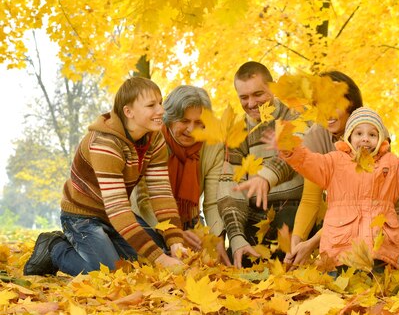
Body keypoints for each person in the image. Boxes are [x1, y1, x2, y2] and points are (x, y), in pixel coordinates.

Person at [24, 77, 188, 277]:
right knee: (107, 273)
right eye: (151, 105)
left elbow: (161, 193)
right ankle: (54, 248)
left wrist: (174, 240)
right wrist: (162, 260)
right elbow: (118, 209)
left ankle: (103, 247)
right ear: (129, 112)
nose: (161, 110)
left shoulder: (155, 140)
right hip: (82, 216)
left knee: (149, 262)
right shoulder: (105, 144)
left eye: (160, 103)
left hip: (114, 214)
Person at [274, 107, 399, 270]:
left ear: (380, 140)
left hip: (379, 251)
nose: (365, 139)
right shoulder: (332, 163)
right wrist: (289, 149)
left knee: (376, 295)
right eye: (359, 133)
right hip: (339, 249)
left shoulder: (392, 166)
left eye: (372, 134)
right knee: (338, 294)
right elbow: (308, 161)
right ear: (349, 137)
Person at [264, 71, 399, 268]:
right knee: (344, 279)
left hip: (388, 221)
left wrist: (311, 244)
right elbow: (311, 199)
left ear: (350, 104)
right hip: (344, 223)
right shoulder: (315, 136)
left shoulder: (369, 132)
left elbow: (366, 203)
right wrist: (297, 242)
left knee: (386, 280)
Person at [131, 85, 231, 265]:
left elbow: (212, 202)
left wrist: (217, 239)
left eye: (199, 123)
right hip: (147, 218)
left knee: (202, 261)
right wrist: (174, 236)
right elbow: (143, 201)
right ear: (169, 119)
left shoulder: (213, 145)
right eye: (184, 121)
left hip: (188, 219)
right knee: (153, 257)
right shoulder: (150, 140)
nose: (191, 129)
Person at [217, 61, 304, 268]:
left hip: (294, 210)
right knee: (239, 262)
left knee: (286, 228)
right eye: (244, 97)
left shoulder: (295, 115)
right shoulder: (237, 132)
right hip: (255, 216)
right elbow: (231, 187)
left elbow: (296, 152)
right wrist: (236, 236)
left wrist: (266, 176)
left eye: (258, 94)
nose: (251, 103)